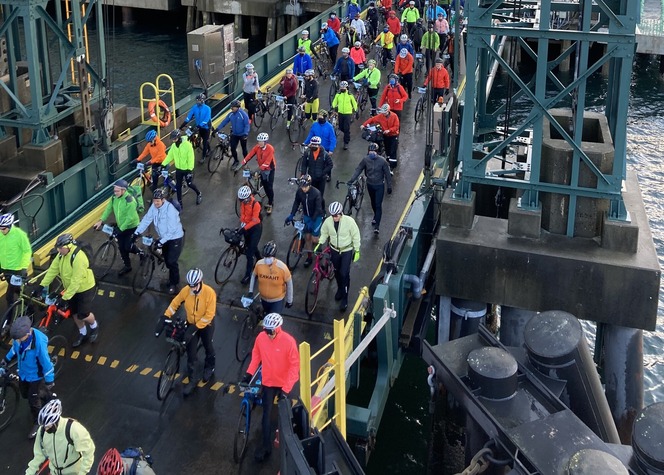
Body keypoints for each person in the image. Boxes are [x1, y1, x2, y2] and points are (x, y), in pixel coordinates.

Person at [242, 313, 299, 463]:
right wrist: (248, 374)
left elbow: (295, 367)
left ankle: (289, 448)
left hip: (284, 383)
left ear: (278, 328)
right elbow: (256, 357)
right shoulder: (261, 338)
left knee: (284, 416)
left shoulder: (289, 342)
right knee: (266, 416)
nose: (268, 334)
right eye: (266, 330)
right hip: (268, 381)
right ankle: (266, 447)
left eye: (271, 331)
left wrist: (286, 390)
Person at [157, 268, 217, 395]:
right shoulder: (187, 291)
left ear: (200, 282)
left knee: (208, 346)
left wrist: (196, 327)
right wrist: (166, 316)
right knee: (191, 354)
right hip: (191, 323)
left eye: (194, 285)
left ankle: (209, 367)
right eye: (190, 286)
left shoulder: (209, 293)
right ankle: (192, 380)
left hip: (206, 324)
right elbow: (175, 303)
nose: (192, 288)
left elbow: (210, 314)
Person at [39, 233, 99, 348]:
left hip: (85, 288)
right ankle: (82, 332)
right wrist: (42, 285)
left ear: (69, 246)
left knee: (83, 313)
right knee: (74, 313)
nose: (59, 250)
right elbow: (53, 270)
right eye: (58, 248)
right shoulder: (61, 255)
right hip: (71, 289)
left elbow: (76, 281)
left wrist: (65, 298)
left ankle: (94, 326)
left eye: (61, 248)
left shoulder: (79, 257)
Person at [1, 316, 54, 438]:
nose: (17, 341)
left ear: (28, 333)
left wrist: (49, 380)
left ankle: (38, 422)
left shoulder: (38, 344)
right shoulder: (18, 339)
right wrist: (6, 359)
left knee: (32, 400)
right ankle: (45, 394)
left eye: (19, 339)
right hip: (24, 372)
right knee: (25, 393)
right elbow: (15, 350)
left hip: (35, 376)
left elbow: (46, 363)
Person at [134, 188, 185, 295]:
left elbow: (172, 230)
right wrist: (137, 232)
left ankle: (174, 283)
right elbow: (147, 219)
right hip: (163, 236)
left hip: (175, 238)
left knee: (171, 262)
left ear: (163, 200)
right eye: (154, 200)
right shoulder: (154, 206)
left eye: (158, 201)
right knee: (166, 260)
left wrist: (161, 241)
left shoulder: (170, 209)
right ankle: (165, 261)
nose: (156, 203)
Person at [25, 399, 96, 475]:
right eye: (44, 426)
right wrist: (29, 473)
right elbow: (39, 455)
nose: (46, 429)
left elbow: (89, 452)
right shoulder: (42, 431)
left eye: (48, 426)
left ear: (55, 421)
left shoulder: (74, 429)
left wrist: (82, 473)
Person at [316, 202, 361, 311]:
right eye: (332, 216)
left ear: (341, 213)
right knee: (336, 272)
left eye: (336, 215)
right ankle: (340, 288)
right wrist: (320, 243)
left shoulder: (349, 222)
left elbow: (356, 235)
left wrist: (357, 249)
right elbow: (325, 233)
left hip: (346, 250)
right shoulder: (328, 222)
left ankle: (345, 298)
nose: (334, 218)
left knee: (344, 273)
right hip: (334, 250)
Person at [93, 179, 142, 276]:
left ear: (123, 190)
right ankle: (127, 266)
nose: (115, 193)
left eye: (117, 191)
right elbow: (108, 209)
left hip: (131, 226)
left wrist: (119, 230)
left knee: (127, 246)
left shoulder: (130, 201)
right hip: (121, 226)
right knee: (121, 248)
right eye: (114, 191)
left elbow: (129, 219)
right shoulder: (114, 198)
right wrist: (100, 221)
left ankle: (140, 252)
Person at [349, 143, 392, 233]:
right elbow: (359, 169)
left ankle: (377, 226)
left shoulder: (382, 161)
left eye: (374, 151)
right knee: (373, 202)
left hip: (379, 185)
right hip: (370, 185)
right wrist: (352, 179)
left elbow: (387, 174)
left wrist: (389, 186)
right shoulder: (365, 160)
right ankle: (376, 216)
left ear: (377, 152)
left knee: (378, 204)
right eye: (370, 151)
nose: (372, 153)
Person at [285, 174, 324, 267]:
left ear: (309, 185)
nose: (303, 189)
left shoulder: (316, 193)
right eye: (302, 187)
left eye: (305, 187)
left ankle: (319, 246)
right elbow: (296, 203)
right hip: (307, 215)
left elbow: (318, 209)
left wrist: (312, 221)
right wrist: (292, 214)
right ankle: (309, 257)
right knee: (307, 237)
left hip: (317, 216)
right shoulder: (300, 192)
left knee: (314, 238)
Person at [235, 132, 276, 215]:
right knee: (254, 178)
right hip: (261, 166)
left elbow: (267, 163)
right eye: (258, 141)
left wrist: (257, 170)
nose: (259, 143)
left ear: (265, 142)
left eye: (261, 141)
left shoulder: (270, 149)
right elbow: (250, 155)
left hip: (269, 169)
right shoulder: (257, 147)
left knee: (268, 187)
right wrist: (242, 163)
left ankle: (271, 203)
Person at [247, 241, 293, 314]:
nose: (266, 259)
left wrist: (289, 300)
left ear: (273, 256)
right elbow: (253, 276)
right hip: (263, 299)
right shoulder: (259, 264)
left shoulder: (282, 268)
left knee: (272, 322)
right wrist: (250, 291)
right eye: (265, 257)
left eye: (268, 257)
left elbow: (289, 283)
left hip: (277, 301)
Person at [162, 129, 202, 208]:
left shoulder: (187, 145)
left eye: (174, 138)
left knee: (189, 184)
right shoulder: (174, 146)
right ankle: (180, 203)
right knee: (178, 186)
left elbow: (191, 158)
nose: (173, 140)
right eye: (172, 139)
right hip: (179, 169)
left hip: (187, 169)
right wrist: (163, 164)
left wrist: (190, 170)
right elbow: (170, 156)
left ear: (179, 137)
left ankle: (199, 193)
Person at [0, 213, 31, 309]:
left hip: (17, 270)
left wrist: (23, 268)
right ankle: (30, 307)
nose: (2, 231)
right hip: (6, 270)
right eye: (0, 228)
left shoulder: (20, 235)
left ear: (10, 226)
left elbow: (27, 251)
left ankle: (8, 320)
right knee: (17, 290)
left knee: (9, 296)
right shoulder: (1, 234)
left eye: (4, 228)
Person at [361, 104, 401, 169]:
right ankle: (388, 161)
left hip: (393, 135)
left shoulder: (394, 116)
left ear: (388, 111)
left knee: (393, 151)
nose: (383, 114)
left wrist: (389, 130)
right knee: (387, 150)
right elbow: (372, 119)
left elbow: (396, 127)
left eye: (384, 113)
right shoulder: (380, 116)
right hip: (385, 135)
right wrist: (364, 125)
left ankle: (392, 167)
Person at [237, 185, 263, 285]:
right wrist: (242, 224)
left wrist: (244, 228)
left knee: (249, 254)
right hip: (246, 227)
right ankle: (260, 258)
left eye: (243, 200)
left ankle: (248, 275)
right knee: (251, 246)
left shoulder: (256, 205)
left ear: (248, 197)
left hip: (256, 229)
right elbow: (243, 214)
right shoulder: (243, 203)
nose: (242, 202)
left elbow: (255, 220)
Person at [299, 137, 334, 209]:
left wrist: (323, 173)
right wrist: (303, 174)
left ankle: (322, 210)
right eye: (313, 144)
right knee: (309, 194)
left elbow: (330, 165)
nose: (314, 146)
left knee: (320, 196)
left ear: (319, 145)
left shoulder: (325, 154)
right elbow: (304, 164)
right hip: (311, 178)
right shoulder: (307, 153)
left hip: (321, 179)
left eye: (316, 145)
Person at [215, 99, 250, 166]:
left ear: (237, 107)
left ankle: (246, 160)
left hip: (242, 134)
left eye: (233, 107)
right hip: (234, 134)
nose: (231, 108)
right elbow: (224, 122)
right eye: (231, 106)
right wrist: (217, 129)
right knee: (233, 148)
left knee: (244, 149)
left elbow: (247, 125)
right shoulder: (230, 114)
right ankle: (236, 161)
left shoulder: (243, 114)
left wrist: (245, 134)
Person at [180, 93, 212, 163]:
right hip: (199, 126)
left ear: (203, 100)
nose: (197, 102)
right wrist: (182, 125)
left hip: (206, 127)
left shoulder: (207, 108)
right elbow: (189, 117)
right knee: (198, 137)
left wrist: (198, 126)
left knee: (204, 142)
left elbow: (206, 120)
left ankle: (203, 157)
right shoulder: (194, 107)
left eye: (199, 100)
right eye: (197, 100)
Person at [331, 81, 358, 150]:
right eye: (341, 87)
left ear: (346, 87)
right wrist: (332, 107)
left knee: (346, 128)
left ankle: (346, 142)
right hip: (340, 113)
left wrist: (356, 110)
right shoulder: (338, 95)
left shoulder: (350, 95)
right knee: (341, 127)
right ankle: (347, 133)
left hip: (348, 113)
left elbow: (354, 103)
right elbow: (334, 102)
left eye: (344, 87)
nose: (342, 88)